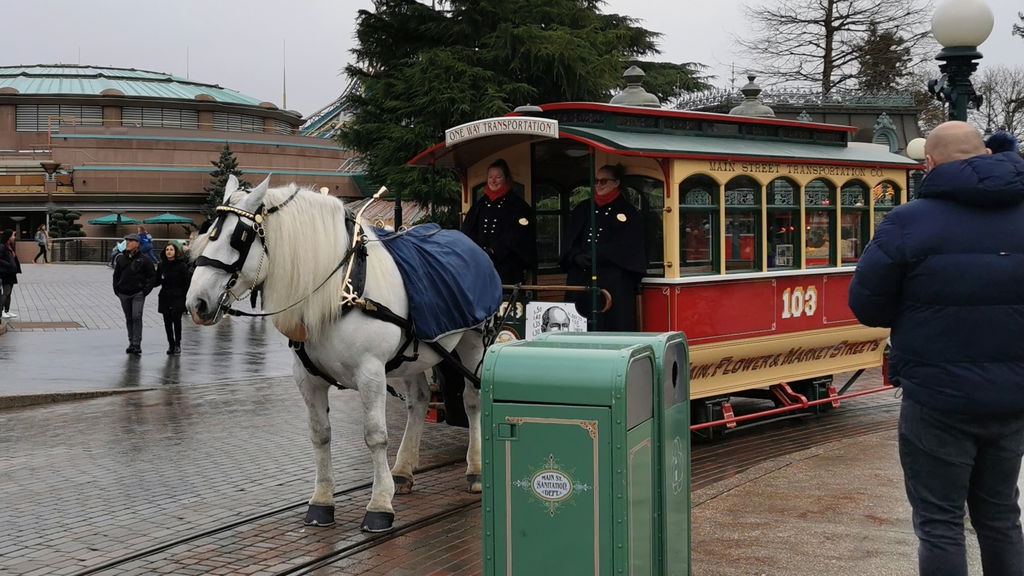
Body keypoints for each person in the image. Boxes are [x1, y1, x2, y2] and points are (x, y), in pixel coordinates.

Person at [849, 121, 1024, 576]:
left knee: (939, 521)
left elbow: (867, 306)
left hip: (936, 395)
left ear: (928, 164)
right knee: (1002, 515)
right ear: (987, 154)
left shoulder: (907, 222)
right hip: (1013, 395)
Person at [559, 163, 646, 332]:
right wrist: (575, 255)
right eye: (596, 181)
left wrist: (599, 254)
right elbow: (570, 239)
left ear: (616, 182)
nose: (598, 185)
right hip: (582, 276)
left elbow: (629, 247)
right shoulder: (583, 208)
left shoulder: (628, 212)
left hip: (612, 279)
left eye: (604, 181)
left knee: (610, 321)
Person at [461, 158, 537, 284]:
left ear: (506, 178)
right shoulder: (480, 205)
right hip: (481, 264)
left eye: (498, 177)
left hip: (507, 267)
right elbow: (468, 230)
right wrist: (477, 251)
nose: (493, 181)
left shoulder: (517, 205)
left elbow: (517, 235)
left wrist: (494, 251)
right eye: (490, 177)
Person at [113, 232, 156, 355]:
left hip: (138, 293)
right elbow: (116, 275)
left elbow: (152, 276)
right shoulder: (121, 258)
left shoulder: (144, 259)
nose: (127, 243)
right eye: (127, 241)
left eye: (131, 241)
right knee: (129, 318)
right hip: (123, 293)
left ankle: (137, 343)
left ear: (137, 244)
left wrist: (145, 291)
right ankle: (131, 342)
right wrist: (117, 289)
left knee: (136, 316)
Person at [155, 241, 192, 355]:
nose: (169, 252)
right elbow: (156, 280)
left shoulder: (181, 266)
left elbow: (187, 283)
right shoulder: (161, 265)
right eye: (167, 250)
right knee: (167, 322)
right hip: (165, 296)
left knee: (176, 320)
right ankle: (170, 344)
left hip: (178, 296)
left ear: (176, 252)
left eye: (171, 250)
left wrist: (186, 297)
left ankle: (177, 344)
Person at [0, 230, 19, 319]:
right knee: (6, 292)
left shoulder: (10, 246)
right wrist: (9, 264)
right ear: (8, 237)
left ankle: (7, 310)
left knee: (9, 293)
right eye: (13, 236)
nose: (14, 237)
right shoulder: (2, 246)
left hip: (11, 272)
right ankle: (1, 311)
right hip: (5, 272)